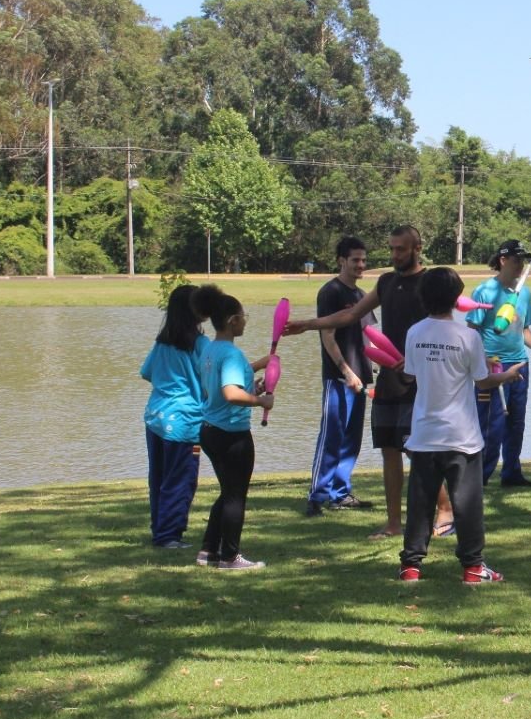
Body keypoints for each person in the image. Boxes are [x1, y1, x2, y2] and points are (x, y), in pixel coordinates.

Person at [286, 226, 453, 537]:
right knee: (389, 449)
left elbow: (446, 325)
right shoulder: (386, 282)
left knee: (417, 450)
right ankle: (393, 524)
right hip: (389, 378)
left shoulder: (429, 282)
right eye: (391, 248)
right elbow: (350, 317)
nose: (394, 255)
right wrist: (308, 324)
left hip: (421, 380)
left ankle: (445, 510)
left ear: (417, 248)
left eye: (401, 249)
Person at [397, 267, 523, 583]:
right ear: (456, 299)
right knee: (467, 505)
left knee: (420, 504)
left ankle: (410, 566)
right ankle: (473, 568)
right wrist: (507, 376)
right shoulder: (468, 336)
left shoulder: (414, 333)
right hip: (461, 437)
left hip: (424, 434)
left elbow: (409, 375)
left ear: (423, 297)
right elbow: (483, 382)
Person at [194, 285, 274, 570]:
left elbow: (219, 386)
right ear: (232, 320)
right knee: (236, 495)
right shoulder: (230, 354)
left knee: (228, 491)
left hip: (209, 429)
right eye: (243, 317)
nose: (245, 322)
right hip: (231, 434)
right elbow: (230, 393)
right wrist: (260, 400)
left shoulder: (210, 350)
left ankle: (208, 551)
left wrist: (252, 384)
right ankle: (230, 557)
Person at [465, 239, 531, 487]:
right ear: (503, 260)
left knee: (516, 424)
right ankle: (479, 479)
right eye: (516, 260)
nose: (520, 265)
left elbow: (524, 329)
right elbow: (471, 331)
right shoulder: (485, 291)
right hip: (494, 368)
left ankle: (511, 474)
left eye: (523, 260)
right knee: (492, 426)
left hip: (520, 366)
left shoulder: (525, 293)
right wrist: (481, 361)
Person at [306, 236, 375, 517]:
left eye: (364, 260)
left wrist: (379, 367)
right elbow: (328, 335)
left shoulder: (362, 296)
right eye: (355, 260)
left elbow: (371, 336)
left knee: (351, 440)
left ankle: (340, 493)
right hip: (339, 378)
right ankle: (316, 496)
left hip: (361, 378)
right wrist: (346, 371)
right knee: (332, 437)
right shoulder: (331, 292)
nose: (361, 265)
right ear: (341, 261)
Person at [140, 284, 208, 549]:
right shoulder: (200, 344)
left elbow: (147, 372)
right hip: (184, 423)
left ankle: (160, 530)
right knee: (181, 479)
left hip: (156, 418)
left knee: (158, 478)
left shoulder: (163, 342)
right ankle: (169, 536)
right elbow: (215, 379)